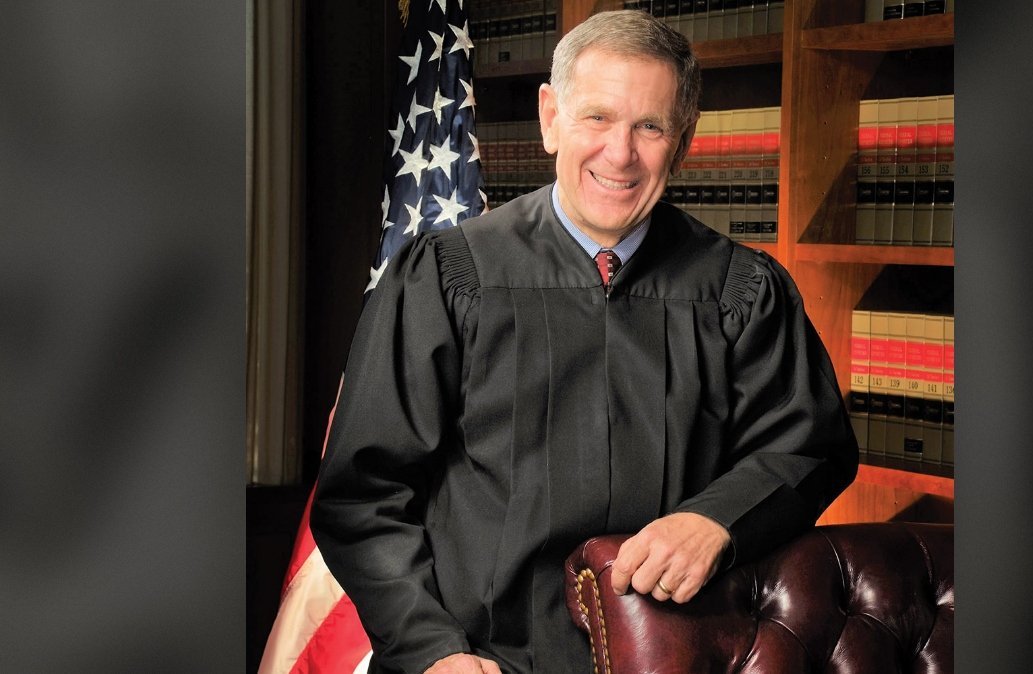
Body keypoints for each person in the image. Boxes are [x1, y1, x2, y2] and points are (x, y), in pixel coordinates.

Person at [310, 9, 858, 674]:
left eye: (650, 126)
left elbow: (809, 445)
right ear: (551, 118)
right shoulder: (449, 277)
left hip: (670, 659)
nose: (620, 153)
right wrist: (431, 650)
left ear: (684, 140)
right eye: (597, 117)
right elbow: (363, 496)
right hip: (478, 662)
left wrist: (718, 520)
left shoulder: (738, 290)